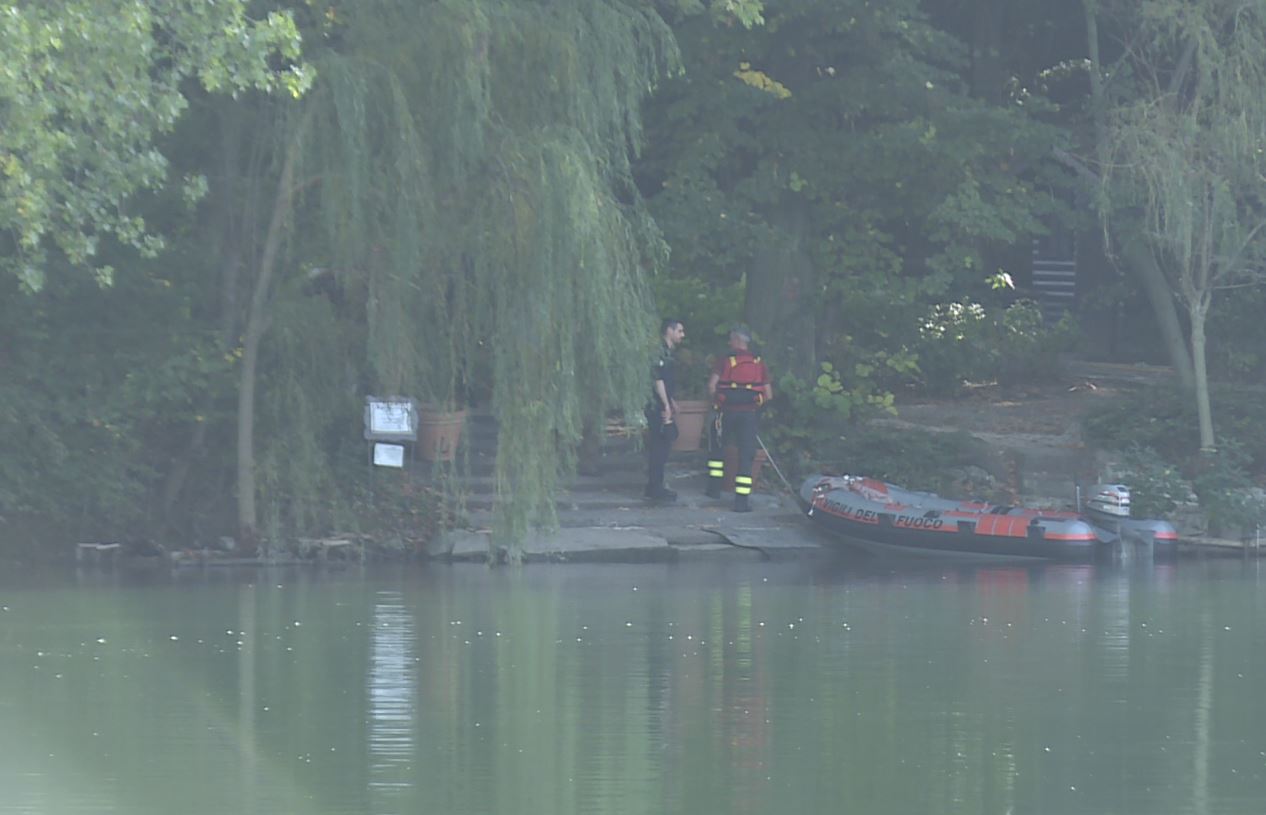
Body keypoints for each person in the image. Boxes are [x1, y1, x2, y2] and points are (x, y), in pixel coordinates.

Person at [706, 325, 772, 512]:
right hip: (749, 415)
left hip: (726, 412)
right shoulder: (759, 362)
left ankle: (714, 489)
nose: (729, 342)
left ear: (736, 341)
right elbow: (769, 393)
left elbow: (712, 386)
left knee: (717, 448)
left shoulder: (724, 360)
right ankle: (741, 501)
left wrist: (717, 402)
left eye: (731, 339)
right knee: (746, 455)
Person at [644, 318, 686, 502]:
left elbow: (666, 381)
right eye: (680, 331)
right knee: (660, 446)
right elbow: (657, 379)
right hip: (658, 406)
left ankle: (656, 485)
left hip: (663, 402)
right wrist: (666, 404)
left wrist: (671, 400)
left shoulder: (668, 353)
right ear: (669, 330)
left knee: (663, 445)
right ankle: (655, 487)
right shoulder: (660, 352)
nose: (682, 335)